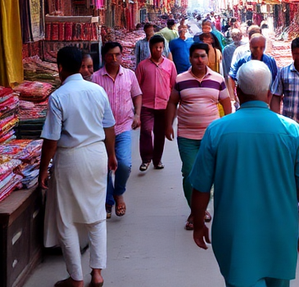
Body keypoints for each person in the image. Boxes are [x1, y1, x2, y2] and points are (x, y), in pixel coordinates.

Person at [188, 61, 299, 287]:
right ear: (269, 94)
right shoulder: (291, 131)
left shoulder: (217, 130)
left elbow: (200, 187)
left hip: (236, 235)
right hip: (280, 234)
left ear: (237, 91)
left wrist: (199, 222)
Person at [39, 46, 117, 287]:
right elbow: (109, 127)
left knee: (67, 219)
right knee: (96, 216)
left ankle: (76, 277)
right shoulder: (97, 91)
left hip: (70, 158)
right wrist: (111, 155)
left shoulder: (59, 96)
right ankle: (97, 273)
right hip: (96, 154)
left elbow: (51, 139)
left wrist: (43, 169)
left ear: (60, 68)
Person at [164, 42, 233, 229]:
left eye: (203, 56)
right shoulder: (180, 79)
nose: (199, 60)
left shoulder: (218, 79)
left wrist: (230, 128)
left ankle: (200, 210)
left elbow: (227, 104)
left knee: (209, 174)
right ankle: (195, 211)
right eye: (196, 56)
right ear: (190, 58)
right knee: (189, 173)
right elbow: (172, 103)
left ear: (207, 57)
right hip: (186, 136)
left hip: (212, 137)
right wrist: (168, 125)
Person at [91, 42, 142, 219]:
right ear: (104, 56)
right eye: (110, 55)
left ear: (122, 55)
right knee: (104, 167)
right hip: (101, 131)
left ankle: (118, 192)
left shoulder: (129, 75)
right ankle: (108, 201)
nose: (114, 58)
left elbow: (137, 95)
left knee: (124, 164)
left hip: (123, 127)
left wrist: (137, 115)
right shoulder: (95, 78)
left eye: (117, 55)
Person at [135, 35, 177, 172]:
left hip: (163, 105)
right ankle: (146, 159)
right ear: (150, 48)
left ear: (163, 48)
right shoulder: (142, 66)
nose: (158, 50)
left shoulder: (170, 65)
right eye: (155, 47)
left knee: (160, 134)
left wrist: (173, 105)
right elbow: (136, 87)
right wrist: (136, 109)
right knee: (146, 131)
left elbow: (174, 85)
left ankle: (157, 160)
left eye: (160, 47)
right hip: (146, 106)